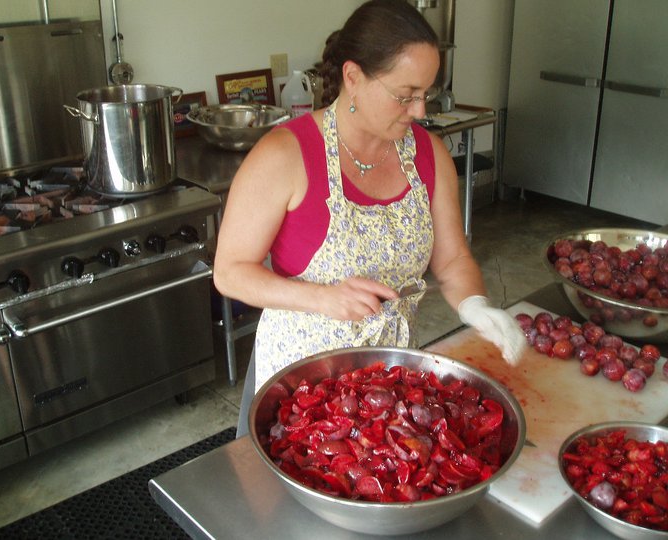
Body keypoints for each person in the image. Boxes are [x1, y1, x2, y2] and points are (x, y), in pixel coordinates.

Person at [213, 0, 526, 438]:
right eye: (405, 95)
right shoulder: (285, 155)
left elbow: (453, 259)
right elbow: (230, 273)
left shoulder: (428, 155)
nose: (420, 111)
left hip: (390, 380)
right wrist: (324, 298)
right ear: (353, 77)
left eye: (426, 94)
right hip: (303, 389)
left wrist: (475, 304)